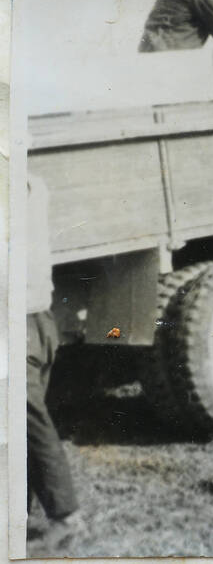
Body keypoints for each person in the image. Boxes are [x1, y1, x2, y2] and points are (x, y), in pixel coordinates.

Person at [26, 174, 82, 549]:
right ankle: (17, 513)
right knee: (24, 423)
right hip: (40, 323)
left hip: (17, 324)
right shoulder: (35, 185)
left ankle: (66, 516)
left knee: (28, 420)